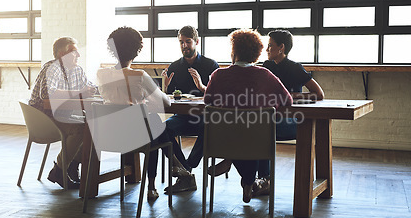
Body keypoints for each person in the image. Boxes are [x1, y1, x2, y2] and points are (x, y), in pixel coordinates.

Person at [211, 29, 325, 198]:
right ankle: (261, 180)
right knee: (255, 126)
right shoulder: (266, 67)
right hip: (267, 119)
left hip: (289, 121)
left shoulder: (295, 68)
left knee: (259, 128)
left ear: (281, 48)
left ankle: (233, 162)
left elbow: (319, 94)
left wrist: (294, 95)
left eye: (270, 46)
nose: (266, 50)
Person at [204, 28, 293, 203]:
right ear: (257, 53)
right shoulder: (266, 75)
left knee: (239, 132)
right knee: (254, 131)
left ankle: (237, 167)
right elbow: (287, 101)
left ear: (233, 52)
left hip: (224, 140)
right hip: (257, 140)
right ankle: (249, 182)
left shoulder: (218, 75)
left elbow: (208, 101)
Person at [97, 26, 172, 200]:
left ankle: (177, 166)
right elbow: (165, 102)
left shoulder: (101, 74)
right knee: (155, 124)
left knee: (152, 123)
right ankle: (153, 185)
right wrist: (163, 90)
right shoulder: (139, 75)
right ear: (136, 51)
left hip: (108, 135)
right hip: (135, 137)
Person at [29, 36, 97, 189]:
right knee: (81, 129)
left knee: (90, 126)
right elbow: (47, 96)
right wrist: (80, 92)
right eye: (74, 52)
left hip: (62, 115)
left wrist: (96, 89)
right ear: (61, 54)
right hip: (43, 118)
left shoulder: (76, 70)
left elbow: (89, 87)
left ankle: (71, 168)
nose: (78, 55)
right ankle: (59, 171)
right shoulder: (52, 68)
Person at [161, 25, 219, 194]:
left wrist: (202, 87)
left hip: (204, 117)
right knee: (163, 129)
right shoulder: (174, 67)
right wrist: (165, 89)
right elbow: (169, 99)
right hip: (183, 117)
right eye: (181, 42)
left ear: (197, 42)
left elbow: (218, 96)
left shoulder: (210, 65)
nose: (184, 46)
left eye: (188, 42)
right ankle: (185, 171)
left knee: (209, 126)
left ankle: (187, 168)